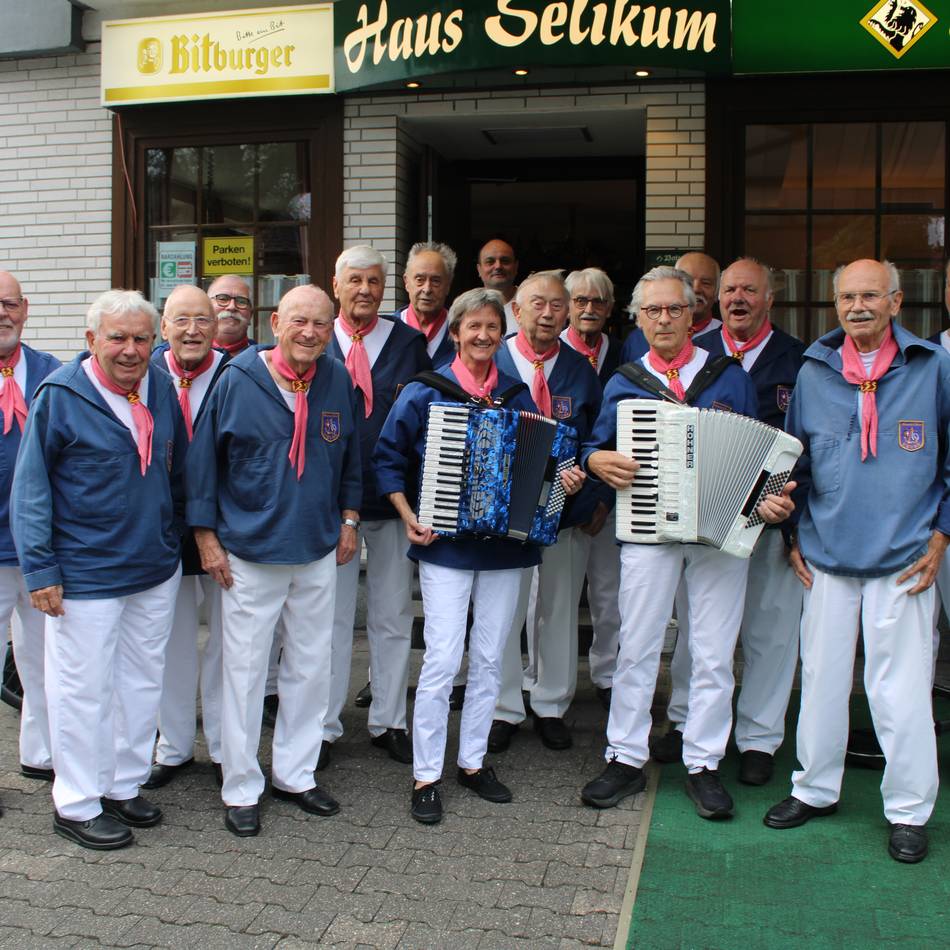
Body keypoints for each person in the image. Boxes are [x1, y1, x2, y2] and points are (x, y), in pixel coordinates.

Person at [578, 266, 793, 818]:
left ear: (695, 313)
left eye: (675, 309)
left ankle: (703, 761)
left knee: (714, 651)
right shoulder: (625, 380)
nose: (664, 320)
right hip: (648, 532)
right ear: (638, 318)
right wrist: (595, 459)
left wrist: (766, 499)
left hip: (718, 535)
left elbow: (760, 451)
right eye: (652, 311)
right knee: (638, 645)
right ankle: (625, 756)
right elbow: (594, 447)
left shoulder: (727, 376)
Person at [374, 287, 586, 823]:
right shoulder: (427, 392)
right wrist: (407, 514)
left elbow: (543, 466)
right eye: (474, 327)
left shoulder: (516, 396)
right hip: (444, 545)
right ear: (457, 331)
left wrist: (565, 479)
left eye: (493, 327)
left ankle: (472, 762)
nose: (484, 336)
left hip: (504, 551)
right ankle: (426, 773)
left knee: (493, 657)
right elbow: (389, 457)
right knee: (444, 658)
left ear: (502, 332)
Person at [764, 259, 949, 865]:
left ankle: (908, 810)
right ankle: (814, 789)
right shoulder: (814, 372)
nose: (857, 306)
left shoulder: (933, 368)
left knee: (900, 693)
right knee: (819, 681)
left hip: (904, 559)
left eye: (871, 295)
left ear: (897, 302)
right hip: (826, 558)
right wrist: (791, 533)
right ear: (834, 303)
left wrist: (942, 536)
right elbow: (795, 465)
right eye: (847, 296)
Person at [12, 289, 186, 850]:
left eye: (141, 338)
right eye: (118, 337)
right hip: (85, 575)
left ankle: (122, 783)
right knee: (81, 691)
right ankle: (78, 802)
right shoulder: (60, 393)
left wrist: (172, 536)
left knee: (140, 683)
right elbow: (31, 489)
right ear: (92, 341)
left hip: (153, 569)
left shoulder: (158, 383)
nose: (131, 350)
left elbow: (174, 464)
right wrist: (40, 571)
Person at [187, 284, 361, 837]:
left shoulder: (335, 378)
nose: (309, 332)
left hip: (315, 547)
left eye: (320, 323)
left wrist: (351, 518)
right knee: (243, 672)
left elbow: (351, 455)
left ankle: (296, 773)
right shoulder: (237, 380)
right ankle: (239, 785)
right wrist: (206, 538)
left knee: (311, 665)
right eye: (299, 321)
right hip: (249, 552)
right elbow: (201, 466)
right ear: (276, 321)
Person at [654, 259, 806, 785]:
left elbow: (806, 444)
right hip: (707, 517)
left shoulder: (798, 358)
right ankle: (686, 722)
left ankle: (759, 738)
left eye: (749, 290)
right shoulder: (700, 357)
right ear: (714, 301)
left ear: (769, 298)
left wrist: (791, 515)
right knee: (699, 630)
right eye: (729, 290)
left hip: (773, 518)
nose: (737, 298)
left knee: (771, 629)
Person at [488, 271, 603, 753]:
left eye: (559, 305)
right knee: (504, 612)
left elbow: (602, 438)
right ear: (517, 310)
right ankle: (504, 707)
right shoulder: (491, 359)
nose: (549, 313)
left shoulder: (581, 371)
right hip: (500, 513)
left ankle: (552, 704)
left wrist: (595, 496)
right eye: (538, 303)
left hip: (563, 510)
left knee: (557, 608)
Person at [324, 245, 430, 768]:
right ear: (336, 284)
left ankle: (389, 719)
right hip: (329, 505)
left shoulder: (409, 344)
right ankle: (322, 725)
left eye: (374, 281)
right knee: (331, 619)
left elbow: (426, 419)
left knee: (391, 615)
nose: (364, 290)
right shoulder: (318, 337)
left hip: (392, 502)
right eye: (355, 281)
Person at [144, 285, 229, 789]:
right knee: (169, 641)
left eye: (202, 319)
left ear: (216, 327)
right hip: (165, 528)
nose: (192, 330)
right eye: (181, 320)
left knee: (226, 643)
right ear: (164, 327)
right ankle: (172, 746)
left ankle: (222, 745)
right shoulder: (146, 375)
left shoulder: (238, 374)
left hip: (224, 528)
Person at [0, 272, 61, 803]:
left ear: (25, 309)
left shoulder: (50, 373)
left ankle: (41, 753)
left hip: (39, 549)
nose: (2, 313)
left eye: (9, 304)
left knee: (44, 659)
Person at [562, 267, 623, 708]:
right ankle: (542, 679)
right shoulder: (552, 355)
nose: (588, 309)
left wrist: (602, 497)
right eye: (580, 300)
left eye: (597, 301)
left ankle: (607, 675)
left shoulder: (623, 354)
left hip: (615, 492)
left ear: (610, 308)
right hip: (562, 495)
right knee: (550, 598)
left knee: (608, 591)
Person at [621, 252, 720, 363]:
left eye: (706, 283)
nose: (696, 289)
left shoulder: (726, 339)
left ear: (717, 291)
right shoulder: (636, 340)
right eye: (688, 281)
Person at [397, 242, 457, 368]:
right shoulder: (388, 332)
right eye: (420, 279)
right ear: (406, 282)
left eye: (436, 281)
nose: (427, 289)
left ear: (448, 286)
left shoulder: (461, 332)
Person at [476, 238, 519, 335]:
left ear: (516, 267)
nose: (498, 266)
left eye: (505, 261)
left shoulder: (530, 302)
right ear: (479, 269)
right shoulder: (467, 306)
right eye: (490, 262)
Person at [209, 275, 255, 356]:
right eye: (222, 299)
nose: (232, 307)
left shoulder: (264, 363)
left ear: (250, 315)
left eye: (241, 301)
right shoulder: (188, 359)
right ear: (206, 308)